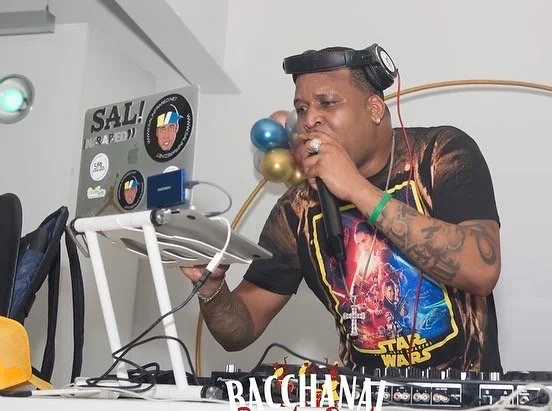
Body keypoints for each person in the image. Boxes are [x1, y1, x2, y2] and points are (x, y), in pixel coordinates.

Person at [181, 44, 502, 373]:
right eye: (302, 108)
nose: (309, 120)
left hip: (465, 393)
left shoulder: (439, 155)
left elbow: (481, 270)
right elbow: (241, 329)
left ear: (374, 109)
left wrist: (356, 188)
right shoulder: (298, 209)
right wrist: (211, 287)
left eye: (327, 103)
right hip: (363, 396)